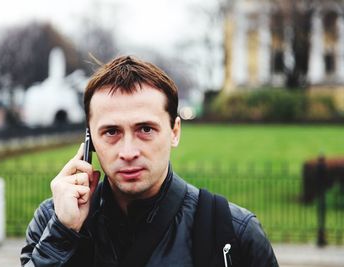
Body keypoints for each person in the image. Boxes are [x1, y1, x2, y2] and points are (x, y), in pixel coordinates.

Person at [21, 56, 279, 267]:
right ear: (90, 141)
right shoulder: (53, 222)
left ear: (174, 132)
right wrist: (63, 233)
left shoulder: (233, 231)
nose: (129, 151)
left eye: (145, 129)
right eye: (111, 132)